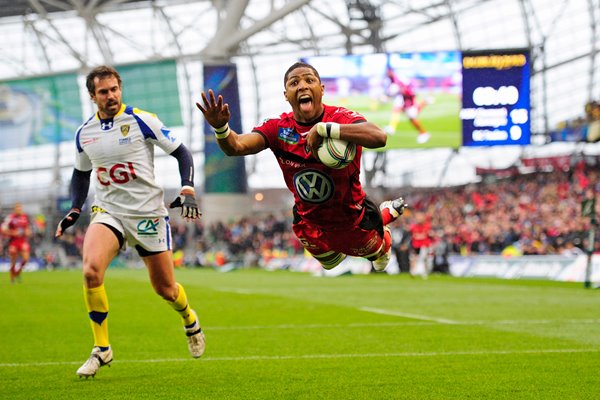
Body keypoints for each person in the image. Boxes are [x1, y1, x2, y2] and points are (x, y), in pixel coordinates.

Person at [55, 65, 205, 378]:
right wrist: (75, 208)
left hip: (148, 214)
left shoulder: (141, 119)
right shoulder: (85, 134)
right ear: (92, 96)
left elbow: (182, 153)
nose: (110, 96)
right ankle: (102, 348)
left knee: (165, 289)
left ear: (120, 89)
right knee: (90, 271)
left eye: (114, 89)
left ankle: (190, 319)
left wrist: (188, 186)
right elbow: (81, 173)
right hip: (108, 212)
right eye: (103, 92)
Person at [196, 61, 406, 272]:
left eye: (309, 80)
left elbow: (379, 137)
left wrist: (326, 129)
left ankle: (384, 221)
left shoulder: (340, 118)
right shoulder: (277, 128)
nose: (303, 86)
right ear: (286, 94)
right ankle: (366, 231)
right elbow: (236, 146)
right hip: (308, 221)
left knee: (377, 257)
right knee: (330, 263)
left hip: (351, 218)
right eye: (294, 82)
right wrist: (221, 127)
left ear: (321, 89)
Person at [383, 67, 430, 144]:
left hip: (408, 97)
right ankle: (392, 127)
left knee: (412, 116)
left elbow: (404, 89)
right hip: (405, 97)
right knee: (400, 111)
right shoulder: (393, 79)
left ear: (391, 72)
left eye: (388, 72)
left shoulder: (397, 79)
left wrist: (393, 94)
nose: (387, 74)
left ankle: (424, 133)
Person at [1, 203, 32, 283]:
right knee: (13, 261)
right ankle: (12, 278)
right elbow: (2, 229)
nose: (19, 210)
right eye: (17, 208)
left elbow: (27, 228)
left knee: (26, 259)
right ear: (14, 209)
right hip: (13, 241)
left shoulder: (24, 217)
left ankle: (17, 272)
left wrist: (28, 232)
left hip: (22, 241)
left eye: (20, 208)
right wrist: (12, 233)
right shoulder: (10, 218)